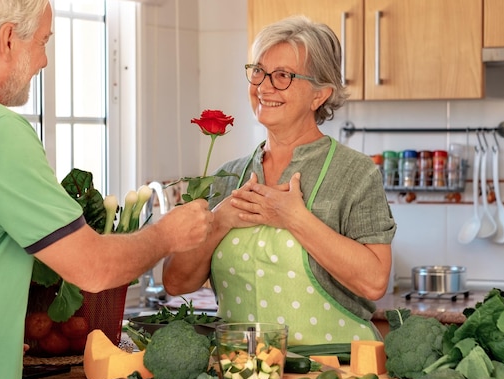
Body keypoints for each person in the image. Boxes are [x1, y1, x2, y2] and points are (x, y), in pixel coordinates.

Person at [0, 1, 213, 379]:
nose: (43, 61)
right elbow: (92, 268)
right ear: (7, 38)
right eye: (42, 42)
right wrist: (166, 235)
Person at [163, 15, 396, 347]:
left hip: (334, 374)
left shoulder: (355, 173)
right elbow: (175, 282)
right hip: (242, 374)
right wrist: (220, 221)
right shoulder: (229, 176)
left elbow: (374, 282)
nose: (263, 86)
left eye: (283, 76)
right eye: (258, 71)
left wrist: (294, 218)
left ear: (320, 95)